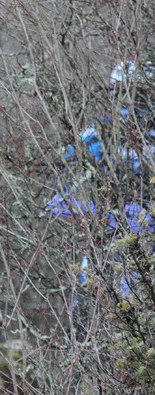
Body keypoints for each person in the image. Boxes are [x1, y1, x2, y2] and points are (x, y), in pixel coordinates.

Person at [47, 60, 155, 310]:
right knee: (88, 313)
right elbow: (58, 200)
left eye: (142, 94)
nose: (133, 103)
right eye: (127, 94)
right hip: (105, 260)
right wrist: (103, 214)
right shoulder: (96, 139)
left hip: (148, 259)